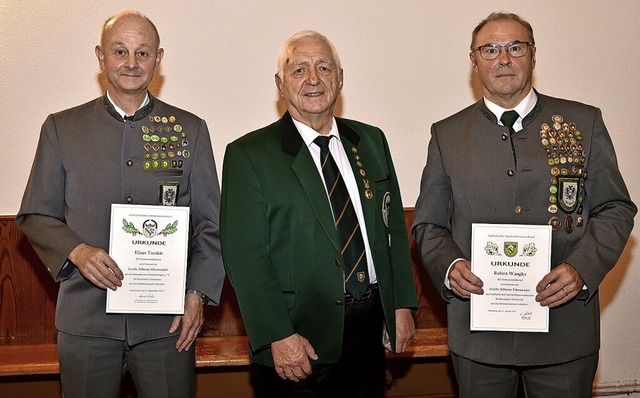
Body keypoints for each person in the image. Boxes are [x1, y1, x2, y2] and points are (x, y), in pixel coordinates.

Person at [411, 12, 636, 398]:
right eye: (490, 49)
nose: (503, 59)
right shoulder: (446, 134)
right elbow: (428, 226)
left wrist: (581, 268)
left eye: (515, 47)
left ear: (533, 55)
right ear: (474, 59)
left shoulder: (584, 123)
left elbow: (616, 208)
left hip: (565, 333)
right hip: (480, 336)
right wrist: (449, 267)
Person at [17, 10, 224, 398]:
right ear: (101, 57)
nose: (131, 63)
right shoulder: (62, 128)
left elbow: (212, 225)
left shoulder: (190, 130)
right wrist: (76, 251)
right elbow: (35, 214)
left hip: (167, 327)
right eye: (120, 51)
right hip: (85, 323)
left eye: (143, 53)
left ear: (158, 59)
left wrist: (197, 295)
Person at [220, 30, 418, 397]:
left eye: (324, 67)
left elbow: (389, 233)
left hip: (370, 331)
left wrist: (401, 305)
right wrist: (276, 333)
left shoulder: (371, 140)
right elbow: (245, 256)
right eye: (299, 70)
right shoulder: (249, 155)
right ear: (280, 83)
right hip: (298, 338)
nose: (313, 79)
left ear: (340, 79)